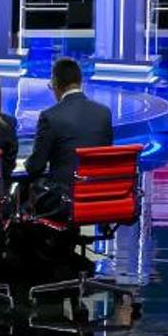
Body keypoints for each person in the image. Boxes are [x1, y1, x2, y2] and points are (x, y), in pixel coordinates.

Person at [24, 57, 114, 219]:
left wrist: (26, 163)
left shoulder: (50, 117)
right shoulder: (104, 113)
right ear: (80, 82)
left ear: (56, 84)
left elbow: (35, 167)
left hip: (63, 200)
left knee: (25, 191)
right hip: (98, 195)